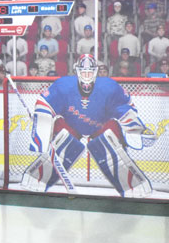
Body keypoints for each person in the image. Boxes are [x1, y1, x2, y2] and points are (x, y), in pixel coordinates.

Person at [21, 54, 153, 197]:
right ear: (77, 71)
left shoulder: (108, 86)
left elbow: (125, 107)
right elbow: (44, 103)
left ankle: (134, 186)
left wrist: (136, 130)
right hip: (71, 124)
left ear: (96, 71)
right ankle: (36, 179)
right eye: (83, 72)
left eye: (90, 72)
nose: (87, 76)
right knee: (64, 142)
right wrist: (41, 131)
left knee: (109, 142)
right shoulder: (64, 85)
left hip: (100, 125)